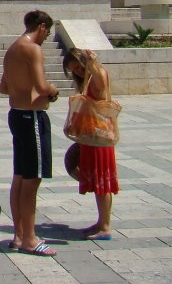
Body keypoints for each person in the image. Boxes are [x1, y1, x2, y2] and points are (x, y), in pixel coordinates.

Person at [0, 10, 60, 257]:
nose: (46, 37)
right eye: (48, 32)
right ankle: (31, 239)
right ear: (42, 27)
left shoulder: (12, 49)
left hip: (16, 114)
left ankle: (19, 234)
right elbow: (42, 86)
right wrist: (53, 90)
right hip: (32, 116)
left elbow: (4, 87)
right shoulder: (32, 49)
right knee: (32, 179)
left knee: (20, 177)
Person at [63, 48, 119, 241]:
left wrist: (92, 65)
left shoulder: (98, 72)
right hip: (91, 136)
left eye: (79, 67)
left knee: (103, 181)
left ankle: (105, 227)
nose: (78, 72)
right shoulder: (86, 78)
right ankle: (101, 222)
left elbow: (102, 89)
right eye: (74, 70)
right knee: (97, 181)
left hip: (99, 136)